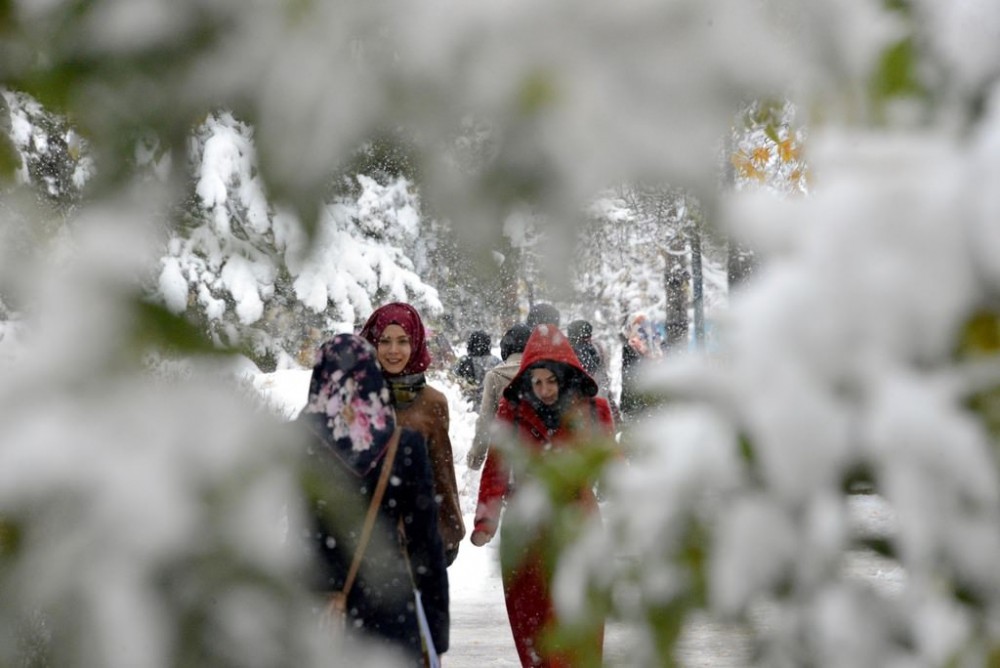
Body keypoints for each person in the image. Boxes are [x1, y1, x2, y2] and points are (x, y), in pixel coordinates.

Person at [296, 335, 449, 665]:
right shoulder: (401, 446)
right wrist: (436, 630)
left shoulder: (299, 444)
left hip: (314, 617)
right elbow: (424, 542)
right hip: (388, 608)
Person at [470, 324, 615, 667]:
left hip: (578, 522)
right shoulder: (513, 412)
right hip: (527, 530)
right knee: (533, 624)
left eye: (552, 380)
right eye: (537, 382)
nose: (545, 390)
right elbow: (496, 468)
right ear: (526, 381)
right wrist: (486, 519)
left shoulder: (594, 411)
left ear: (566, 376)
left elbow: (610, 463)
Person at [360, 302, 466, 565]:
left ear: (416, 343)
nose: (393, 351)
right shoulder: (356, 395)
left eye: (403, 341)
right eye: (385, 341)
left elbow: (441, 469)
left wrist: (449, 530)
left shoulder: (432, 402)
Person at [466, 322, 532, 470]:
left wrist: (475, 458)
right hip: (539, 453)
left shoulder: (495, 376)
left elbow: (485, 420)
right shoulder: (543, 372)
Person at [619, 311, 662, 421]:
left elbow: (630, 377)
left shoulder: (631, 346)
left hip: (635, 404)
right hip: (655, 403)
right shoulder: (657, 345)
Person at [453, 329, 501, 407]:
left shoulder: (464, 362)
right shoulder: (497, 362)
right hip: (492, 404)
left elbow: (456, 381)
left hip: (469, 404)